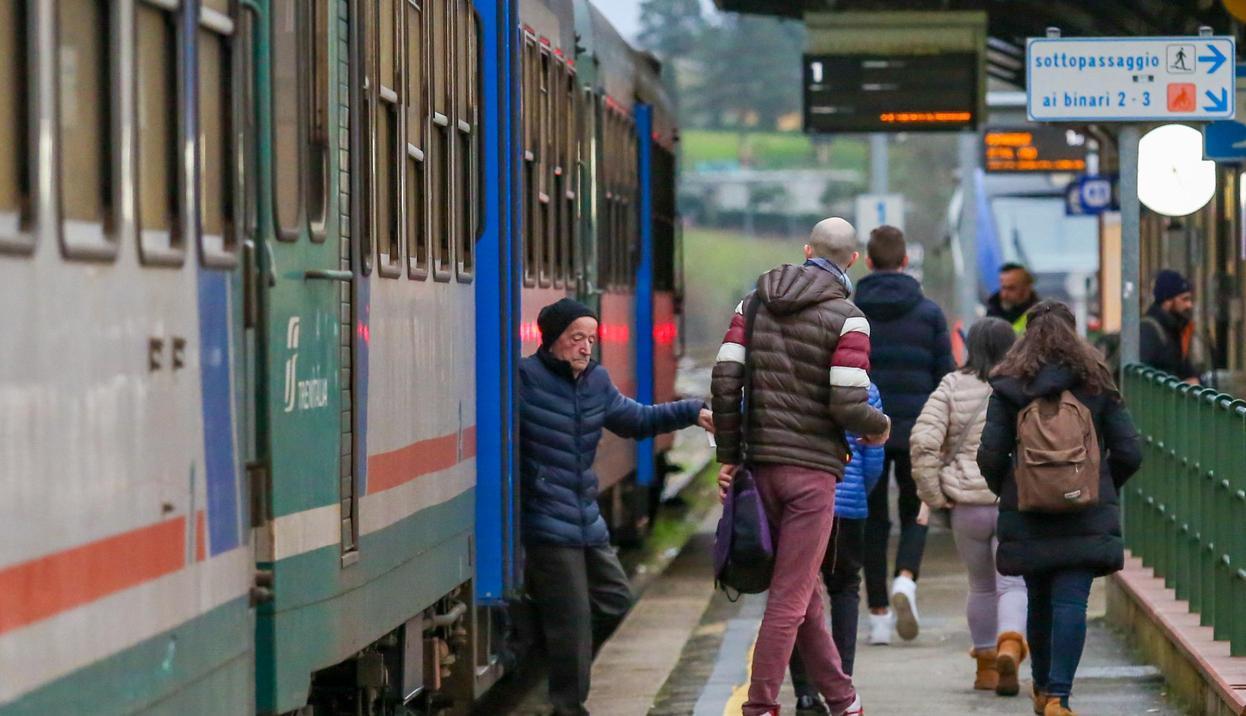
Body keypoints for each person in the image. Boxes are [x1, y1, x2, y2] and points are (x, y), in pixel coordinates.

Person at [712, 217, 890, 716]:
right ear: (851, 260)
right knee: (789, 600)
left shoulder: (753, 303)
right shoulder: (848, 317)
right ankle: (760, 706)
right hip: (811, 476)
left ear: (807, 249)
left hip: (762, 466)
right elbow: (847, 403)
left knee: (804, 591)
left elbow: (725, 381)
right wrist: (879, 425)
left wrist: (729, 456)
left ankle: (842, 699)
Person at [519, 297, 712, 716]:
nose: (586, 347)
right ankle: (567, 706)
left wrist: (694, 410)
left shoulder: (596, 382)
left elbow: (637, 420)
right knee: (571, 621)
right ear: (552, 340)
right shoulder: (524, 380)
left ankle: (541, 641)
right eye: (576, 338)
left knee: (614, 601)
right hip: (545, 518)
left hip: (586, 517)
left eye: (591, 338)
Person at [977, 301, 1143, 716]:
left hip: (1029, 513)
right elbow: (1129, 451)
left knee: (1038, 600)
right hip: (1085, 512)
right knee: (1072, 603)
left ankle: (1039, 688)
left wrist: (1013, 487)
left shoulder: (1008, 386)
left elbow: (991, 455)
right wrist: (1099, 485)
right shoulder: (1096, 383)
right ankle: (1059, 696)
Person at [910, 318, 1027, 697]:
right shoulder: (1024, 386)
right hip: (1013, 501)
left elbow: (924, 442)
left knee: (980, 586)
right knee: (1012, 583)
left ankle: (986, 668)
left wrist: (934, 495)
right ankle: (1011, 645)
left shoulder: (951, 385)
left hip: (966, 505)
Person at [853, 225, 955, 645]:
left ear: (869, 261)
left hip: (867, 430)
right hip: (917, 429)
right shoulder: (929, 313)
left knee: (873, 520)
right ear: (906, 261)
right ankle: (906, 580)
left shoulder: (850, 313)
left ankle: (877, 616)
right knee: (918, 509)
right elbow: (944, 377)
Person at [789, 383, 885, 716]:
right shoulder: (864, 387)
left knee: (796, 596)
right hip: (847, 506)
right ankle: (841, 689)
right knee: (844, 590)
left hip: (797, 505)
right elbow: (874, 461)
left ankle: (804, 694)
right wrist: (857, 491)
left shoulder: (795, 377)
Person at [1140, 269, 1199, 384]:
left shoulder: (1174, 329)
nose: (1189, 305)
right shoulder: (1149, 331)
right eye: (1184, 299)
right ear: (1167, 301)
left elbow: (1183, 367)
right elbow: (1144, 376)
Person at [987, 263, 1041, 334]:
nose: (1004, 294)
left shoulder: (1040, 315)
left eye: (1011, 288)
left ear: (1026, 288)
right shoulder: (992, 309)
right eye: (1003, 287)